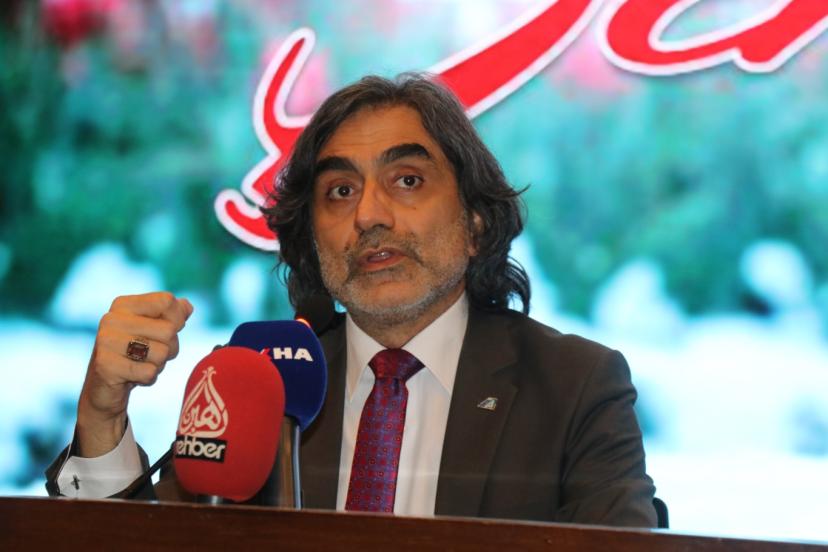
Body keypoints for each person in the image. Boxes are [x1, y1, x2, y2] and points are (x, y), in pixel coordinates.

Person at [46, 73, 657, 526]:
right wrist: (102, 417)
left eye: (407, 180)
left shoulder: (575, 387)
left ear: (475, 224)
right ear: (313, 243)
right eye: (340, 191)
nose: (369, 215)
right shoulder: (263, 386)